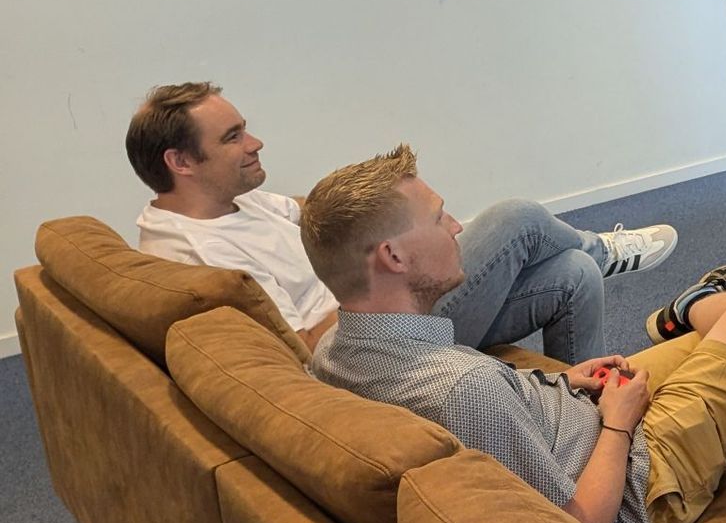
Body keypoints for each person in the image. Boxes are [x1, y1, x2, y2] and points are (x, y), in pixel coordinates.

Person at [304, 145, 726, 523]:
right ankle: (693, 309)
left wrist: (560, 381)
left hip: (579, 417)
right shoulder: (464, 389)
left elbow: (492, 404)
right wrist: (618, 423)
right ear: (393, 257)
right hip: (641, 481)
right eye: (439, 219)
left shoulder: (332, 352)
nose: (458, 227)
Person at [126, 82, 676, 359]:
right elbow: (301, 348)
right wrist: (381, 268)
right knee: (517, 219)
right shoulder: (195, 256)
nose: (256, 142)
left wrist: (388, 220)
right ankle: (607, 249)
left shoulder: (239, 201)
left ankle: (585, 413)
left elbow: (320, 213)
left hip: (379, 304)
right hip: (370, 344)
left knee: (573, 274)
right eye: (233, 137)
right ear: (181, 162)